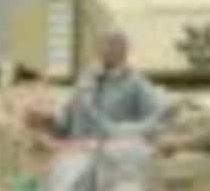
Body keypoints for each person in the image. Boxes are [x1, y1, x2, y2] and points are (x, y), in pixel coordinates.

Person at [25, 29, 169, 140]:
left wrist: (121, 131)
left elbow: (157, 123)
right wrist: (47, 120)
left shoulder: (136, 84)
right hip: (77, 156)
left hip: (114, 159)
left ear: (125, 50)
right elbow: (65, 124)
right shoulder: (86, 80)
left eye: (113, 44)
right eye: (102, 44)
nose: (106, 49)